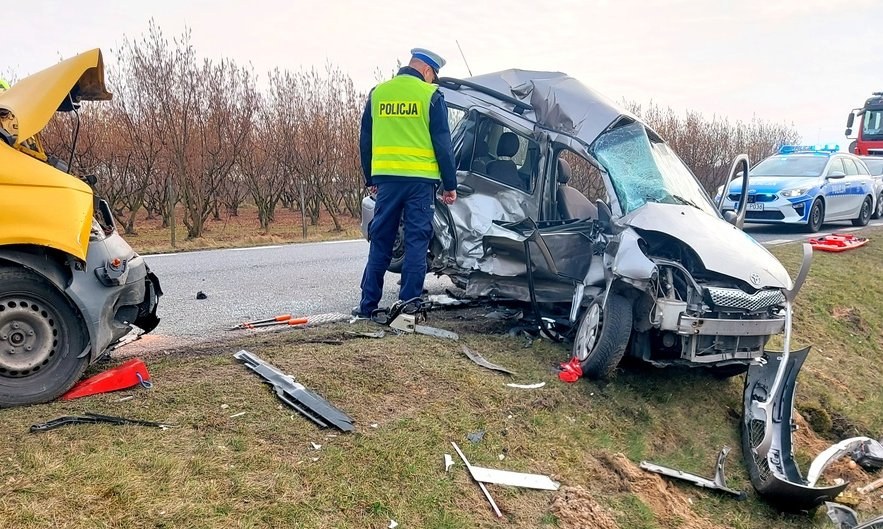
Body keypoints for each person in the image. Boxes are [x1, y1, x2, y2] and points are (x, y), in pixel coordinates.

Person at [353, 48, 458, 318]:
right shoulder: (430, 95)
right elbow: (443, 145)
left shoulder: (379, 93)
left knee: (381, 241)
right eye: (433, 75)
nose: (433, 81)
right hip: (420, 184)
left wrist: (371, 178)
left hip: (387, 181)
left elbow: (366, 140)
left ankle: (367, 307)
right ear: (426, 69)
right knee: (416, 243)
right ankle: (408, 307)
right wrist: (450, 184)